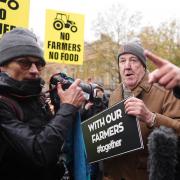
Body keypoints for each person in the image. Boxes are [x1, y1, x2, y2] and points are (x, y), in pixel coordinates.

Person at [0, 28, 86, 180]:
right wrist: (67, 108)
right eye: (24, 63)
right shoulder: (3, 104)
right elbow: (38, 153)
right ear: (2, 66)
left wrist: (63, 105)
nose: (35, 71)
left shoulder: (34, 96)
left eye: (38, 64)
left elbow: (51, 134)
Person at [103, 41, 180, 180]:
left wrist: (151, 118)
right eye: (122, 61)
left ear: (143, 66)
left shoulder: (166, 89)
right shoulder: (114, 95)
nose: (127, 66)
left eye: (133, 60)